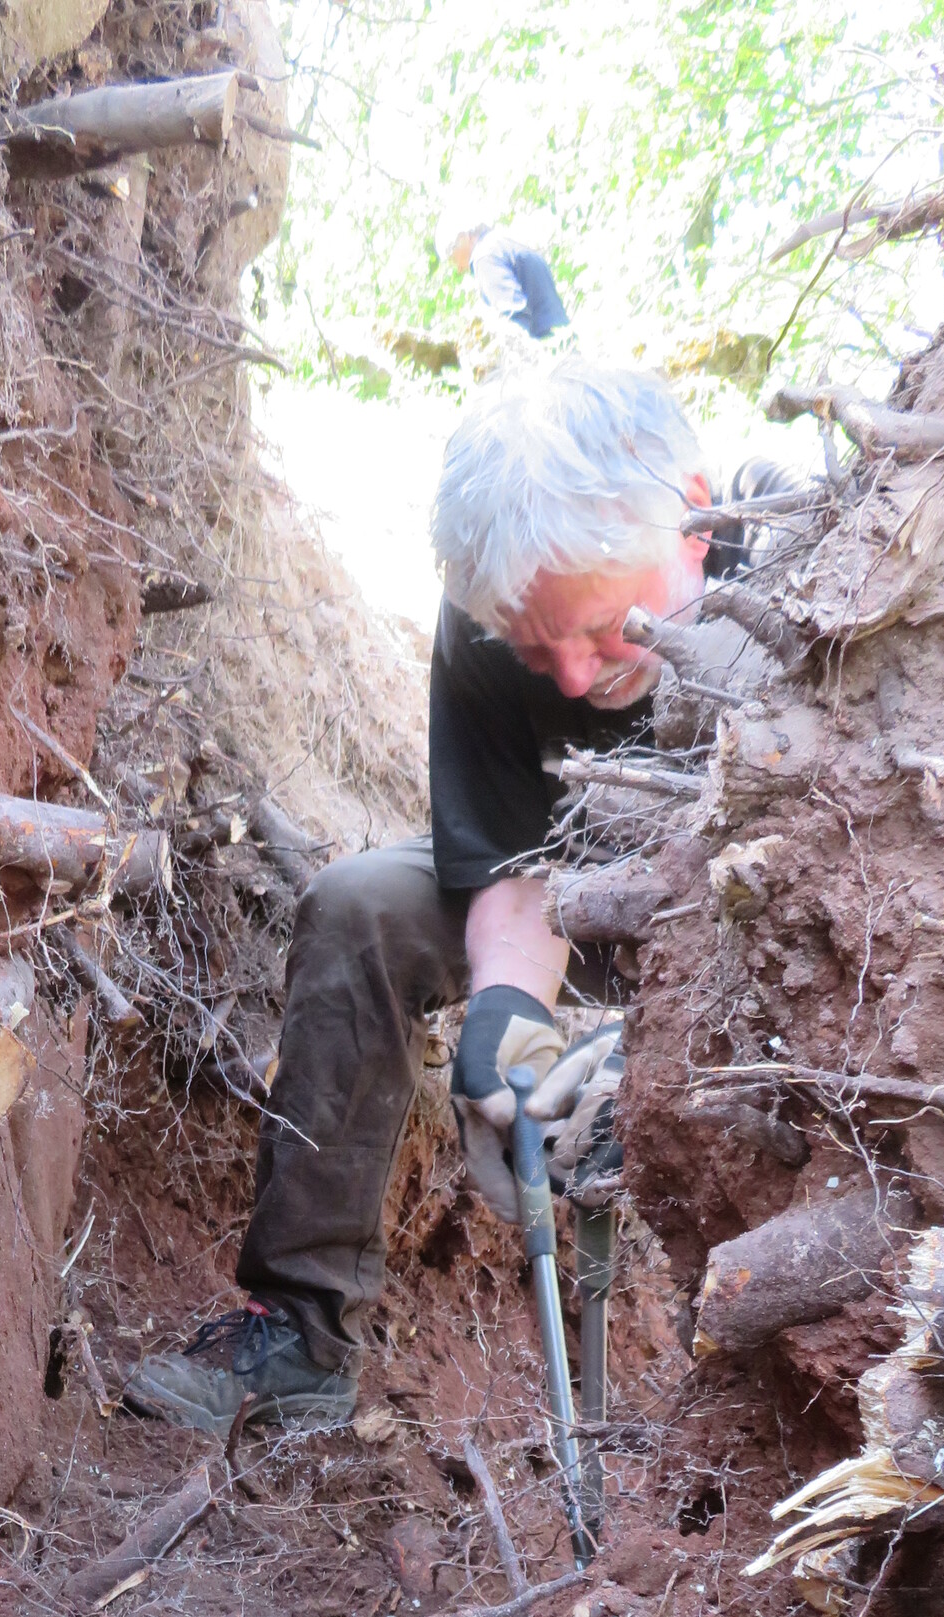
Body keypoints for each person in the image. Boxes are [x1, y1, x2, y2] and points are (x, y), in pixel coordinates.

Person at [129, 361, 717, 1438]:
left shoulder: (806, 579)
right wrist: (507, 1021)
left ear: (695, 516)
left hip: (745, 927)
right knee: (362, 906)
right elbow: (514, 862)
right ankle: (300, 1337)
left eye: (605, 630)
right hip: (582, 894)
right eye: (537, 648)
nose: (572, 679)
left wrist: (654, 1048)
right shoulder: (494, 619)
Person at [445, 215, 571, 345]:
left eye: (453, 259)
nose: (458, 269)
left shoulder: (483, 259)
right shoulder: (501, 241)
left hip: (547, 344)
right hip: (563, 338)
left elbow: (513, 315)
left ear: (463, 238)